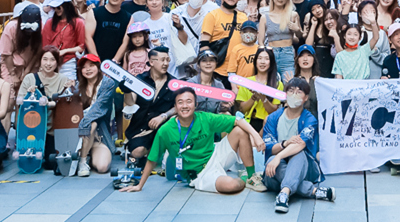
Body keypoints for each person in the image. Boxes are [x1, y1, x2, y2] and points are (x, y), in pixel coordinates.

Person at [119, 87, 266, 194]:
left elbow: (237, 120)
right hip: (200, 173)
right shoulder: (166, 130)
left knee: (240, 130)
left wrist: (256, 135)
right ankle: (242, 178)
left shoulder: (204, 118)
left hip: (215, 155)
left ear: (195, 105)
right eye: (180, 102)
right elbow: (152, 159)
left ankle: (251, 176)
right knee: (233, 186)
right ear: (175, 107)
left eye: (189, 102)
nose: (185, 106)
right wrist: (139, 185)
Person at [262, 77, 336, 213]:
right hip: (273, 173)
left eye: (299, 92)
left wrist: (279, 156)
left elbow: (300, 144)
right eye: (291, 91)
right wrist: (284, 144)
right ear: (285, 94)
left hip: (304, 168)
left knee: (298, 153)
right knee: (271, 159)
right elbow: (269, 148)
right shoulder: (273, 118)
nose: (294, 95)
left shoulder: (309, 119)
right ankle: (313, 191)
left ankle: (284, 193)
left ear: (306, 97)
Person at [68, 55, 112, 176]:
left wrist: (84, 123)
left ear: (98, 67)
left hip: (99, 136)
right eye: (84, 67)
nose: (87, 69)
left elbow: (98, 109)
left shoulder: (107, 83)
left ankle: (85, 158)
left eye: (91, 65)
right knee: (90, 124)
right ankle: (83, 160)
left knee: (102, 167)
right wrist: (68, 91)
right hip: (78, 136)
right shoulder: (77, 87)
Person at [203, 0, 249, 74]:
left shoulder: (243, 17)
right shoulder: (212, 15)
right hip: (217, 69)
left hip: (239, 69)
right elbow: (204, 44)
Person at [0, 3, 44, 93]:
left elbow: (37, 52)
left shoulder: (40, 27)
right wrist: (13, 75)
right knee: (9, 95)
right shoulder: (11, 27)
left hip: (30, 65)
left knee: (29, 94)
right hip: (10, 65)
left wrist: (27, 71)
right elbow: (6, 54)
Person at [235, 47, 283, 131]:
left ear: (271, 62)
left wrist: (263, 98)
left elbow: (273, 111)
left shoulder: (277, 84)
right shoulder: (246, 82)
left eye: (266, 59)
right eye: (259, 58)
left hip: (266, 123)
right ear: (255, 61)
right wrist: (254, 97)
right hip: (248, 122)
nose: (262, 62)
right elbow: (242, 109)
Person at [42, 0, 86, 77]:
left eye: (58, 7)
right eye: (54, 7)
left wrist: (65, 51)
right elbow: (45, 45)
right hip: (50, 62)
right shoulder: (50, 22)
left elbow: (81, 46)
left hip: (68, 63)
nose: (56, 10)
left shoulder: (78, 22)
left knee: (67, 84)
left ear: (66, 6)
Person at [85, 0, 131, 64]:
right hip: (95, 62)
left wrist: (114, 61)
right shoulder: (94, 13)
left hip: (116, 64)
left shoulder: (128, 17)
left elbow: (125, 42)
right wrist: (96, 60)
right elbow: (88, 37)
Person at [261, 0, 301, 80]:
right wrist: (264, 55)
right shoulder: (264, 17)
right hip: (271, 52)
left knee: (289, 83)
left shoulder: (293, 15)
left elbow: (299, 37)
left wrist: (297, 29)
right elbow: (260, 42)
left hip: (287, 53)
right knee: (271, 83)